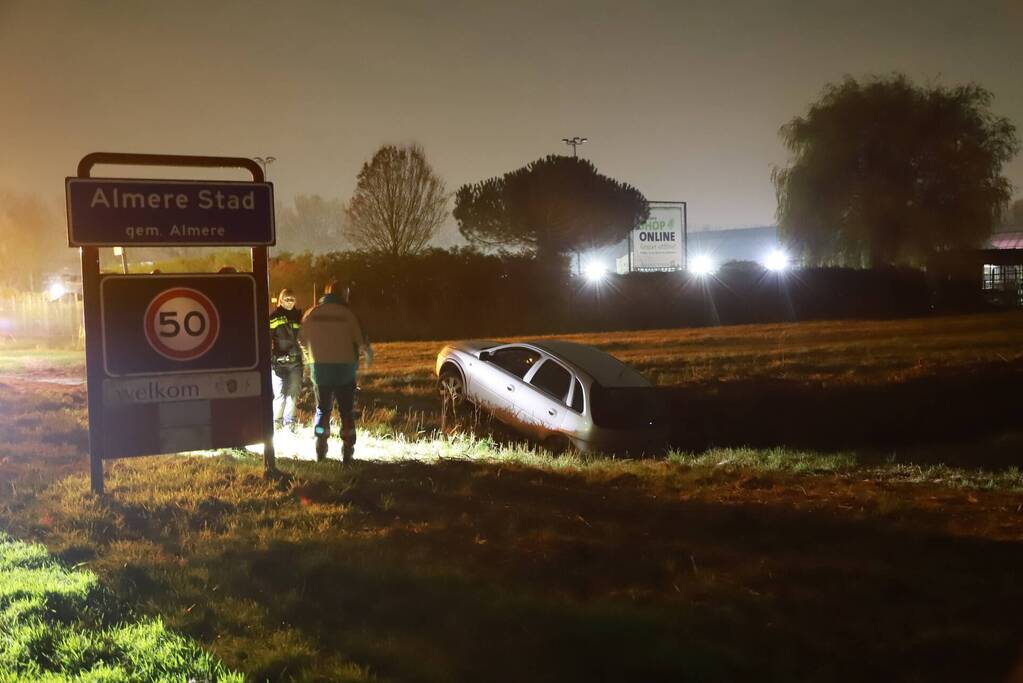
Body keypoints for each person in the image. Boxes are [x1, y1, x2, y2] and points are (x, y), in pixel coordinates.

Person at [298, 279, 373, 462]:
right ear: (343, 294)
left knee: (323, 409)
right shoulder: (348, 314)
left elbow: (301, 339)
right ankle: (347, 450)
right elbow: (360, 342)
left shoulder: (312, 313)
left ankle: (320, 446)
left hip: (320, 369)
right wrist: (365, 357)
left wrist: (311, 358)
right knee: (346, 412)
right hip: (345, 369)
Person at [269, 288, 303, 430]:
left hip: (296, 363)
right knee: (280, 395)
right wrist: (273, 359)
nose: (290, 302)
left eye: (292, 299)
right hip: (279, 363)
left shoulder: (299, 317)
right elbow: (266, 339)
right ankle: (276, 423)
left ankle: (290, 424)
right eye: (287, 299)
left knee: (293, 394)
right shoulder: (274, 317)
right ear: (281, 300)